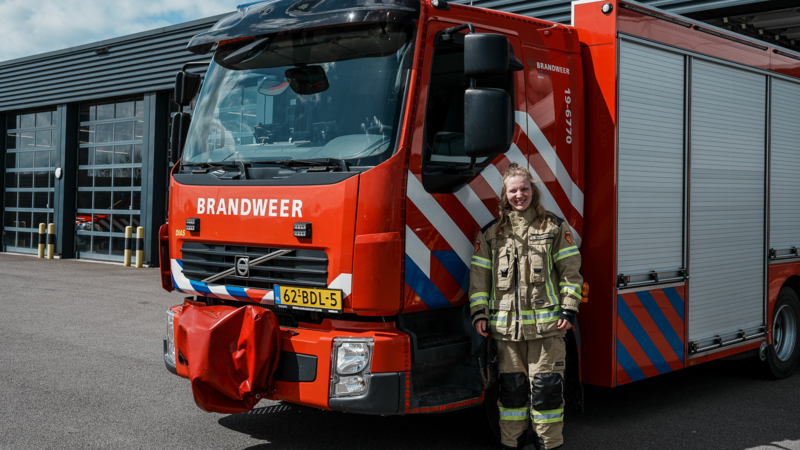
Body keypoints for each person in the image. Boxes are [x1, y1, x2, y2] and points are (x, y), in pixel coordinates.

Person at [469, 163, 582, 450]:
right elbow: (479, 280)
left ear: (533, 191)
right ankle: (513, 445)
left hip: (548, 332)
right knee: (512, 398)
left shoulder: (554, 228)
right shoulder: (491, 234)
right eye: (513, 190)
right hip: (507, 334)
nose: (520, 195)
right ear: (504, 196)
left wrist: (569, 308)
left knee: (547, 396)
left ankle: (549, 446)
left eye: (525, 189)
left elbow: (571, 272)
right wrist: (479, 314)